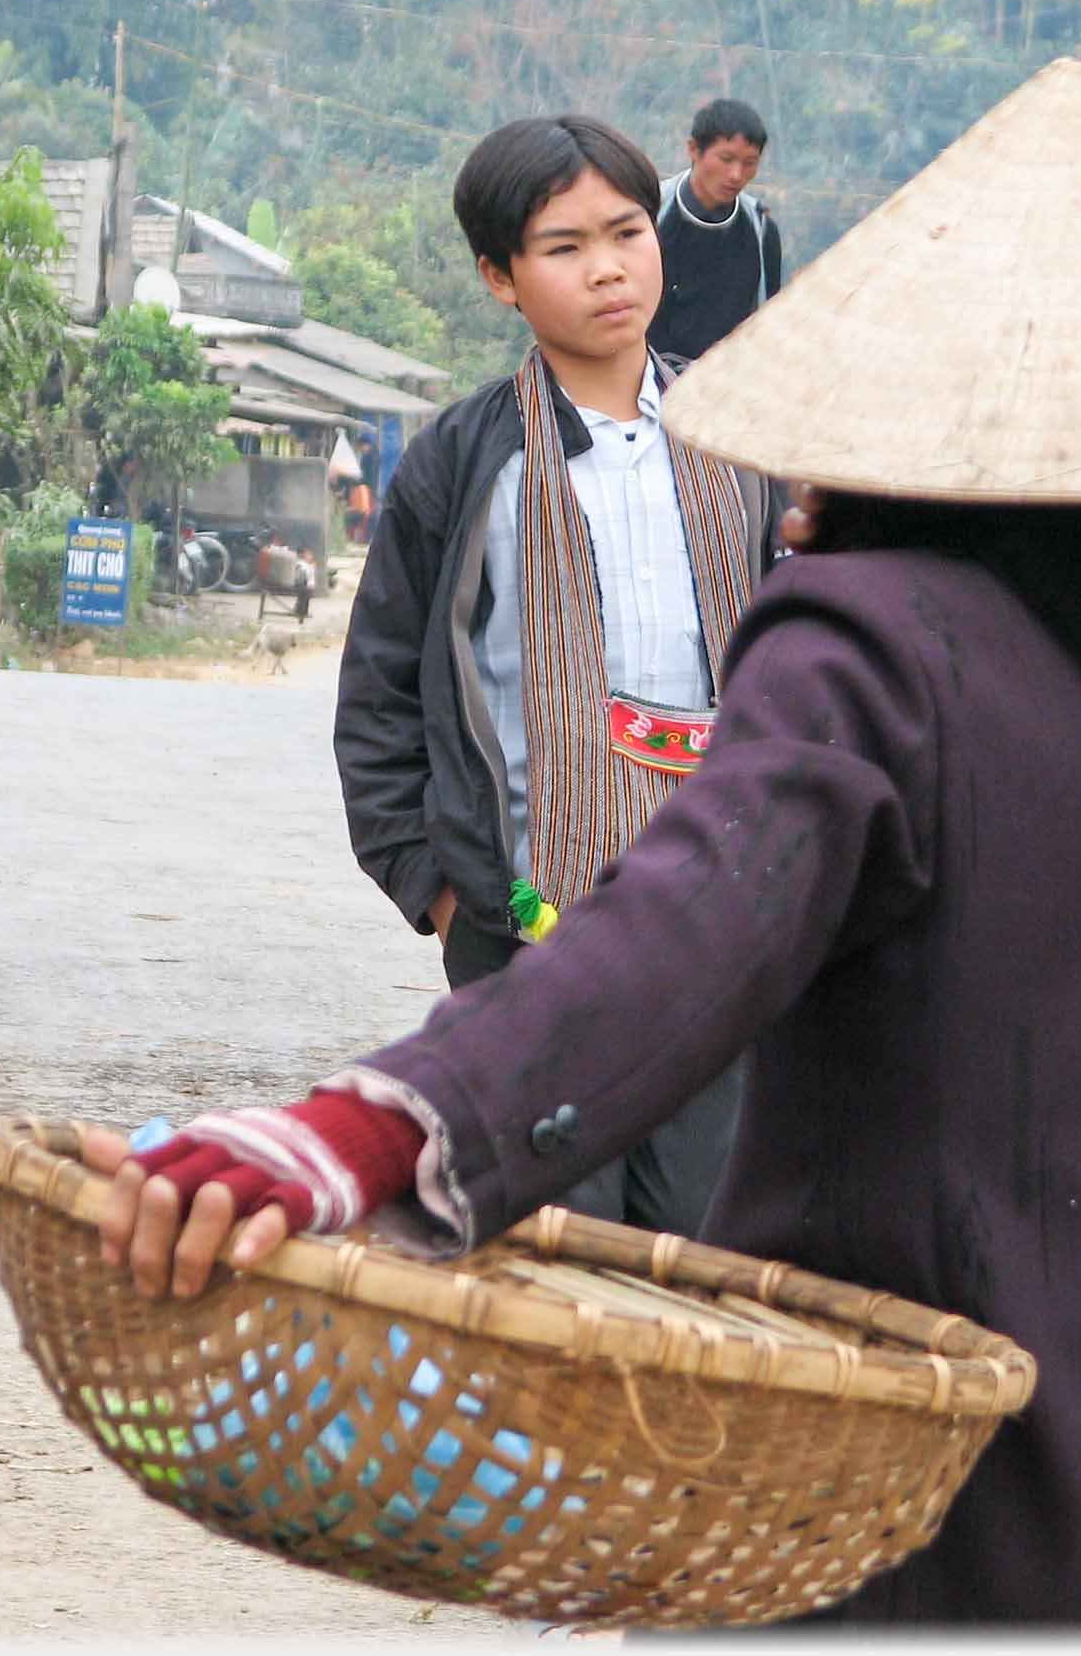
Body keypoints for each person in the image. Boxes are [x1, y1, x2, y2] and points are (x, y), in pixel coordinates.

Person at [82, 60, 1081, 1626]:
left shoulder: (882, 641)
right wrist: (447, 877)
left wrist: (377, 1131)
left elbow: (687, 920)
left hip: (949, 1524)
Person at [331, 113, 784, 1236]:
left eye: (626, 231)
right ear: (501, 277)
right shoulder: (464, 460)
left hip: (719, 924)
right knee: (550, 1234)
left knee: (698, 1237)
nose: (607, 267)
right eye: (563, 246)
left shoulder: (749, 447)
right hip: (526, 921)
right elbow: (381, 690)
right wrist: (441, 889)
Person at [645, 98, 782, 361]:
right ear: (694, 150)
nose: (736, 175)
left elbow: (766, 318)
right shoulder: (649, 214)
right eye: (726, 158)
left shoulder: (761, 230)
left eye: (749, 163)